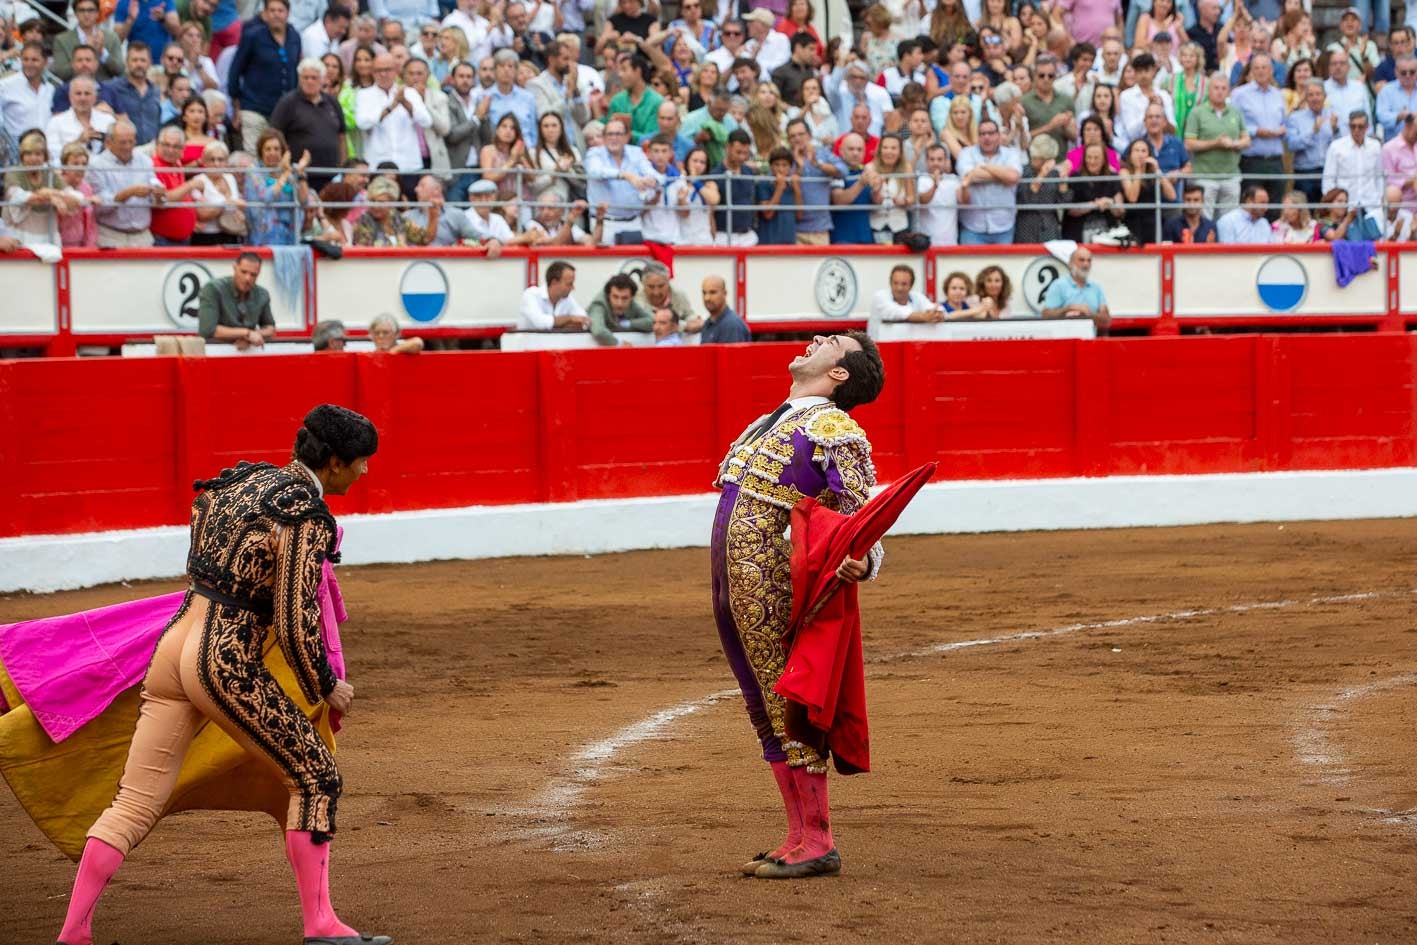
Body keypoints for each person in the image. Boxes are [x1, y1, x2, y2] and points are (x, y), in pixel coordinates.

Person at [47, 405, 386, 945]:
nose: (365, 472)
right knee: (315, 775)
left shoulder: (241, 481)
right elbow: (298, 622)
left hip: (173, 645)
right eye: (361, 463)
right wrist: (325, 684)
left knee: (134, 802)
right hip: (223, 660)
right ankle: (321, 924)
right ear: (337, 463)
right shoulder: (305, 515)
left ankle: (74, 932)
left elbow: (204, 534)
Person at [712, 331, 885, 881]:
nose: (816, 339)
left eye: (832, 342)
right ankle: (797, 833)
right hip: (736, 583)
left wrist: (865, 561)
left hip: (775, 583)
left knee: (786, 703)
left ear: (840, 374)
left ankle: (818, 839)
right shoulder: (776, 420)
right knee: (762, 707)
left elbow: (865, 519)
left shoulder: (832, 426)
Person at [229, 0, 302, 154]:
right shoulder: (252, 36)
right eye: (272, 10)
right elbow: (235, 70)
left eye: (280, 11)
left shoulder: (294, 37)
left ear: (287, 13)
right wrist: (236, 106)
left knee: (279, 156)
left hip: (283, 111)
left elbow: (295, 71)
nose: (276, 14)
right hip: (254, 107)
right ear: (265, 13)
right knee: (254, 154)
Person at [356, 52, 433, 194]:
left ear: (396, 71)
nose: (383, 74)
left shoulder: (410, 93)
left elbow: (426, 121)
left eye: (387, 70)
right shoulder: (364, 95)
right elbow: (363, 123)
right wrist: (392, 106)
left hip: (409, 166)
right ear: (372, 72)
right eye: (379, 70)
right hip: (377, 165)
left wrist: (405, 103)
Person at [270, 57, 348, 191]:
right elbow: (275, 136)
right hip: (300, 176)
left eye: (314, 78)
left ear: (322, 79)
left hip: (331, 176)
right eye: (305, 78)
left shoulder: (332, 102)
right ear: (299, 79)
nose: (309, 81)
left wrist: (343, 167)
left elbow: (341, 136)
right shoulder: (288, 103)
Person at [89, 120, 164, 248]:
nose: (128, 146)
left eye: (131, 141)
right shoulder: (96, 165)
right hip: (110, 237)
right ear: (108, 143)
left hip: (143, 237)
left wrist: (158, 195)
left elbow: (157, 198)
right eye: (123, 142)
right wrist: (127, 193)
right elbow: (99, 207)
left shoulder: (145, 161)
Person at [1183, 71, 1247, 219]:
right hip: (1205, 176)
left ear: (1228, 91)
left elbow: (1247, 139)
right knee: (1205, 220)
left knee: (1229, 220)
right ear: (1209, 90)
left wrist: (1234, 144)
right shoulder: (1197, 113)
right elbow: (1189, 143)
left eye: (1223, 88)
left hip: (1231, 175)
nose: (1220, 92)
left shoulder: (1235, 112)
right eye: (1216, 88)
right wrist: (1215, 143)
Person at [956, 118, 1023, 244]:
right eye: (982, 134)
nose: (986, 137)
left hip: (1004, 225)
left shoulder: (1011, 154)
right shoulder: (966, 153)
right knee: (971, 264)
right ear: (978, 137)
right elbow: (969, 176)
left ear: (998, 135)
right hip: (973, 227)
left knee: (1003, 264)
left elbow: (1013, 177)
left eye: (991, 133)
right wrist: (1002, 175)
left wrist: (984, 166)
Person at [245, 127, 311, 245]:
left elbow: (304, 201)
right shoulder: (254, 172)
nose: (272, 153)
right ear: (261, 152)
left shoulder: (291, 171)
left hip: (290, 237)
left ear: (283, 152)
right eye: (268, 149)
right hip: (264, 239)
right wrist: (285, 174)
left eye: (276, 149)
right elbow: (266, 197)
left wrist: (300, 173)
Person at [196, 252, 275, 346]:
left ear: (258, 274)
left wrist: (252, 336)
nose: (247, 278)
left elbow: (270, 328)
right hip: (215, 351)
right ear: (235, 268)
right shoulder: (212, 289)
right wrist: (246, 333)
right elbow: (207, 330)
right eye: (243, 272)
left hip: (246, 351)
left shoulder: (262, 294)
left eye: (253, 275)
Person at [1322, 109, 1384, 223]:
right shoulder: (1336, 147)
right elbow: (1328, 180)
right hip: (1345, 207)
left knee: (1374, 239)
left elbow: (1379, 176)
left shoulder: (1375, 146)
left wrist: (1379, 199)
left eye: (1360, 126)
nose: (1356, 130)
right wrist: (1334, 206)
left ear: (1367, 127)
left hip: (1371, 205)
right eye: (1353, 126)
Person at [1285, 78, 1337, 205]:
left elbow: (1340, 146)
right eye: (1310, 95)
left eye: (1318, 94)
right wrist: (1313, 132)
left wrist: (1335, 130)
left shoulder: (1333, 116)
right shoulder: (1295, 118)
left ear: (1324, 97)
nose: (1315, 98)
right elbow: (1292, 145)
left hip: (1328, 172)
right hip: (1305, 173)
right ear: (1306, 98)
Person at [99, 43, 162, 146]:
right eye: (135, 60)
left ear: (150, 63)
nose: (139, 64)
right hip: (122, 149)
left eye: (143, 60)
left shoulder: (155, 91)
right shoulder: (111, 88)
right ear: (127, 62)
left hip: (151, 150)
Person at [1040, 245, 1110, 332]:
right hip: (1064, 340)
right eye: (1081, 260)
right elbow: (1046, 315)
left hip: (1089, 341)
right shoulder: (1058, 285)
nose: (1086, 264)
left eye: (1089, 260)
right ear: (1070, 264)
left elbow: (1106, 320)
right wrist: (1068, 308)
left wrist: (1087, 314)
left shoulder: (1096, 288)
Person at [47, 76, 115, 163]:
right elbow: (53, 154)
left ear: (95, 97)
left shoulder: (108, 120)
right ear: (70, 97)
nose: (83, 98)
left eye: (87, 94)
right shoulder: (56, 122)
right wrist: (78, 142)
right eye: (78, 94)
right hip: (70, 173)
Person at [353, 175, 436, 245]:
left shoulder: (398, 218)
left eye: (381, 202)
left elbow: (426, 239)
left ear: (392, 203)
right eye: (372, 201)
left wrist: (433, 215)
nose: (375, 206)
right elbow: (364, 251)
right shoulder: (364, 221)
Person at [1015, 134, 1068, 242]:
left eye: (1048, 159)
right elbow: (1026, 200)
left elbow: (1064, 201)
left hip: (1049, 226)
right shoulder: (1023, 172)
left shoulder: (1054, 173)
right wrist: (1042, 175)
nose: (1045, 163)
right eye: (1042, 159)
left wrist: (1063, 181)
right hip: (1027, 226)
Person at [829, 132, 878, 245]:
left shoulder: (868, 172)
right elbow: (839, 200)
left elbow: (877, 202)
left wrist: (877, 189)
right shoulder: (836, 172)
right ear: (841, 151)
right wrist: (860, 183)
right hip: (841, 239)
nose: (855, 153)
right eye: (851, 149)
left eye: (859, 149)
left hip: (866, 237)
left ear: (864, 152)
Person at [519, 259, 590, 331]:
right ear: (554, 283)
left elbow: (584, 320)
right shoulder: (531, 295)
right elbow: (540, 323)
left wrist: (560, 322)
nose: (573, 288)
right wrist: (570, 318)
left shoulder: (567, 298)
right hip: (528, 342)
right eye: (569, 284)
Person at [587, 272, 653, 346]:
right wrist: (619, 344)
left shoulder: (632, 304)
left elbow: (653, 322)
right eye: (615, 297)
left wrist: (629, 323)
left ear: (632, 297)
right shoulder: (599, 304)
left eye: (624, 298)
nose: (619, 303)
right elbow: (598, 330)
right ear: (608, 295)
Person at [870, 263, 941, 330]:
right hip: (877, 342)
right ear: (890, 283)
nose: (899, 288)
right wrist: (924, 316)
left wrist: (937, 314)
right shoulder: (880, 296)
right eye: (895, 283)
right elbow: (897, 312)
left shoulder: (917, 296)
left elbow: (935, 308)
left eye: (904, 284)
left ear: (911, 285)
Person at [1376, 55, 1417, 140]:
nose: (1408, 75)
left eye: (1412, 72)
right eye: (1403, 72)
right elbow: (1381, 116)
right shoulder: (1386, 91)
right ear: (1396, 72)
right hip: (1394, 146)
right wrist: (1399, 117)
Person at [701, 274, 751, 343]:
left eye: (712, 292)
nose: (707, 298)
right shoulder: (708, 323)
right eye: (704, 293)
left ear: (725, 293)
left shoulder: (732, 326)